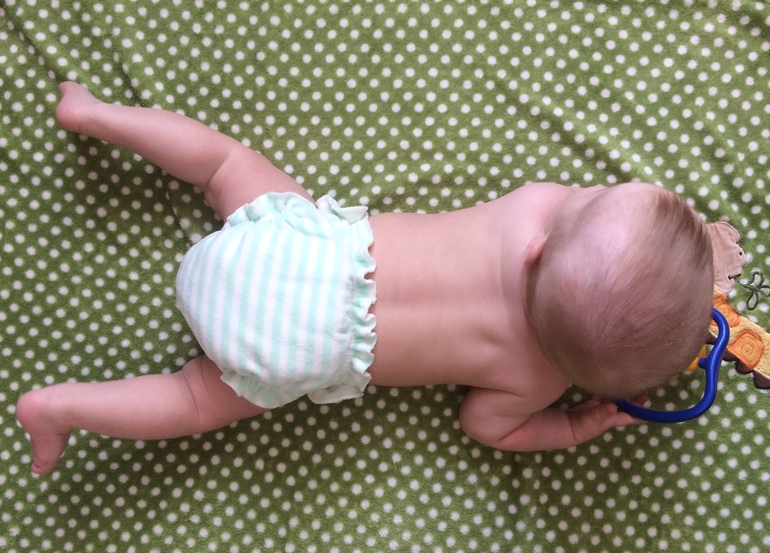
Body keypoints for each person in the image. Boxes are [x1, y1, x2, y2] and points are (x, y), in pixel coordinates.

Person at [16, 82, 715, 475]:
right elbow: (485, 426)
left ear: (536, 249)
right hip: (289, 350)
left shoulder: (533, 209)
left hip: (297, 250)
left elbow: (601, 241)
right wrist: (571, 427)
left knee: (225, 164)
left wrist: (633, 230)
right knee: (193, 399)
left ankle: (94, 114)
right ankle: (58, 408)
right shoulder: (538, 378)